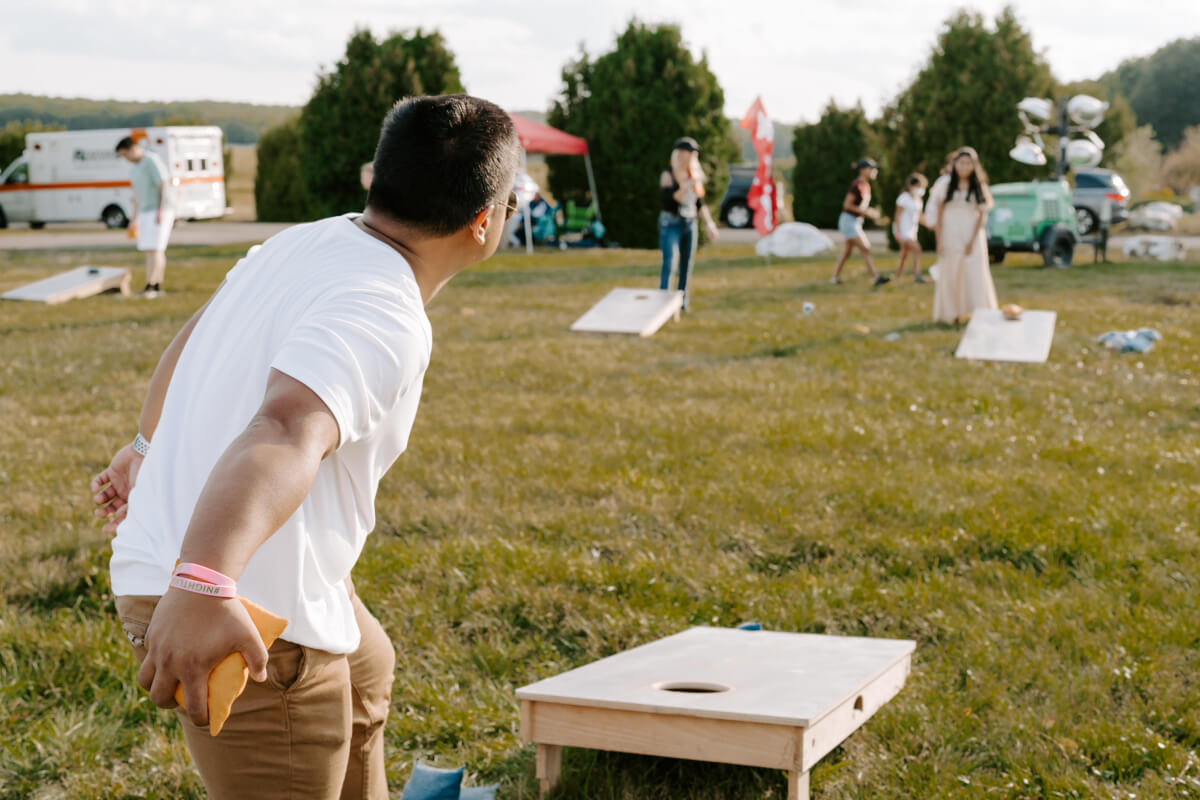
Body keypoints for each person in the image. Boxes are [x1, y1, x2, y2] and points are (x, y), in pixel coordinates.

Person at [90, 95, 521, 799]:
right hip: (236, 610)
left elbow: (194, 337)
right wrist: (204, 581)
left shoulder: (304, 241)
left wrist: (145, 445)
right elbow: (287, 429)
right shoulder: (383, 310)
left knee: (365, 667)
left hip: (204, 565)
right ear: (484, 222)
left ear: (374, 180)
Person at [931, 147, 997, 324]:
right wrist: (939, 240)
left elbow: (982, 214)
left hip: (972, 234)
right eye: (961, 163)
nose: (964, 167)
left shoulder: (979, 187)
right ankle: (951, 313)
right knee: (951, 272)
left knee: (974, 272)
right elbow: (938, 214)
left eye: (969, 163)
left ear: (974, 166)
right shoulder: (945, 186)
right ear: (955, 164)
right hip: (950, 232)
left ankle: (981, 312)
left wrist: (973, 240)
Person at [659, 137, 719, 311]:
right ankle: (662, 301)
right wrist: (686, 186)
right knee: (670, 262)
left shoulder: (694, 175)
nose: (693, 154)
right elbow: (668, 200)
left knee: (686, 264)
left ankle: (682, 303)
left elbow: (699, 203)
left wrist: (709, 224)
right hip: (670, 222)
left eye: (694, 152)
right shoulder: (668, 174)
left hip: (689, 222)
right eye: (689, 151)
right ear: (680, 153)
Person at [117, 136, 174, 297]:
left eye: (125, 155)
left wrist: (160, 211)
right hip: (145, 211)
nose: (125, 159)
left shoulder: (151, 161)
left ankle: (154, 285)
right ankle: (150, 283)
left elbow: (163, 185)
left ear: (133, 149)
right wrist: (133, 219)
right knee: (149, 249)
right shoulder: (134, 168)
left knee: (157, 248)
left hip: (160, 210)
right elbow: (136, 196)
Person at [831, 158, 889, 286]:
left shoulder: (866, 186)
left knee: (847, 252)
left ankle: (835, 278)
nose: (875, 171)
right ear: (862, 170)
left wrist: (869, 211)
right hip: (849, 221)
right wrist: (867, 212)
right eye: (872, 168)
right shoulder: (856, 185)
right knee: (866, 248)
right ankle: (876, 278)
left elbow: (860, 207)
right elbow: (847, 205)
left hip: (856, 221)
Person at [893, 173, 928, 283]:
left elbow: (919, 217)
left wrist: (931, 225)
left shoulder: (918, 200)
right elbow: (897, 216)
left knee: (904, 254)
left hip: (912, 230)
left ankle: (898, 275)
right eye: (917, 186)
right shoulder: (904, 198)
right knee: (917, 249)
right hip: (903, 230)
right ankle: (917, 275)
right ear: (910, 186)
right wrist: (897, 231)